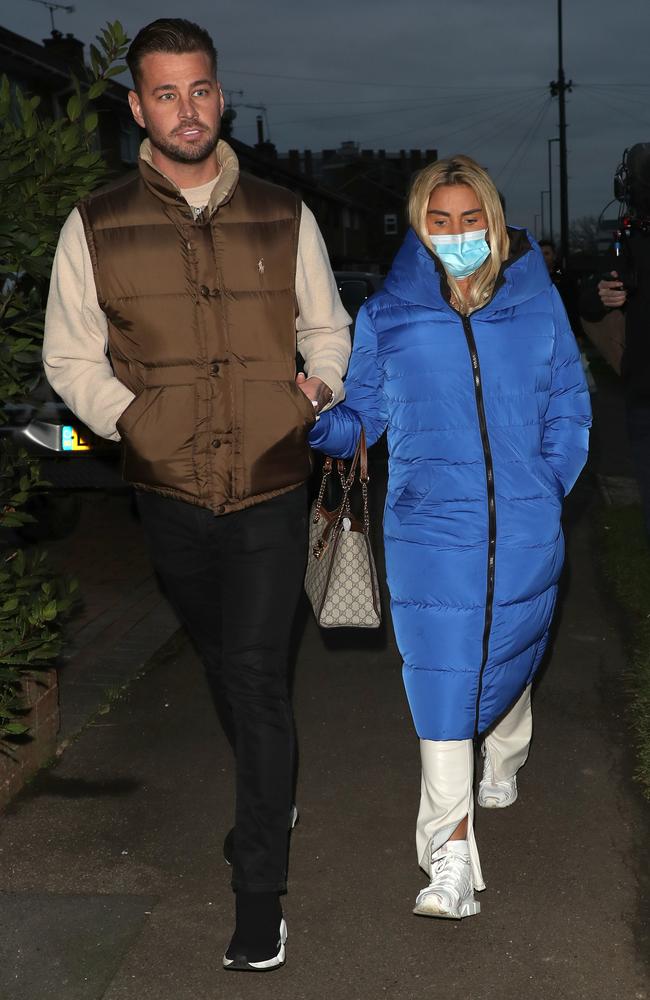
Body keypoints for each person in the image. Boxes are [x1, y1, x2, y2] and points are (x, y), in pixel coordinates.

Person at [42, 18, 351, 972]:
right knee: (222, 658)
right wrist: (133, 421)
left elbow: (328, 330)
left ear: (221, 95)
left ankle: (259, 889)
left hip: (268, 483)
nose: (188, 109)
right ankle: (271, 782)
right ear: (137, 105)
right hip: (168, 490)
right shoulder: (94, 223)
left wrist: (312, 391)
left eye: (202, 90)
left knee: (257, 675)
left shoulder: (283, 213)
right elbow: (68, 356)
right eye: (166, 94)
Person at [309, 156, 591, 919]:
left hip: (526, 526)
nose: (459, 234)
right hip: (430, 531)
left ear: (494, 222)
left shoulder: (536, 304)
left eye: (472, 220)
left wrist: (547, 484)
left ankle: (504, 748)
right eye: (442, 221)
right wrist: (310, 413)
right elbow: (361, 418)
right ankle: (450, 857)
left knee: (510, 650)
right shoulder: (390, 316)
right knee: (442, 681)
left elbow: (569, 398)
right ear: (419, 227)